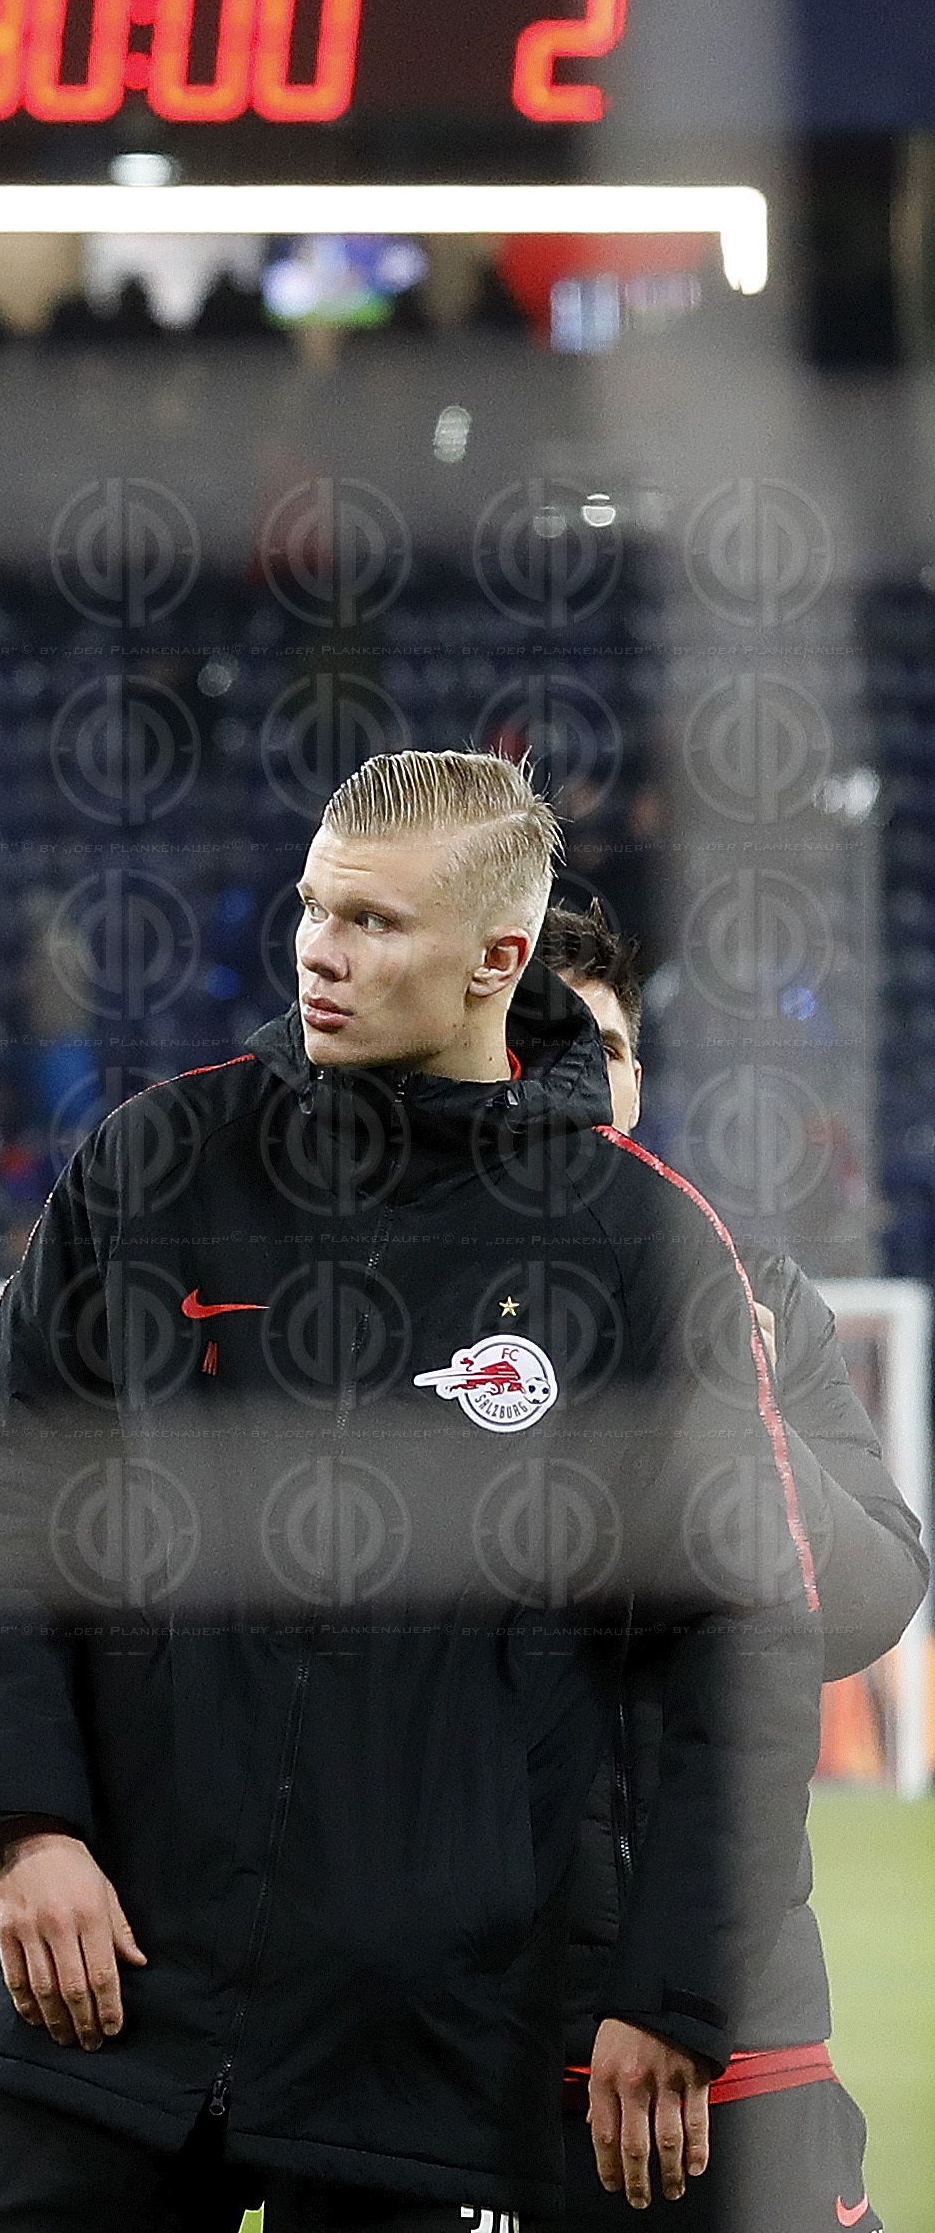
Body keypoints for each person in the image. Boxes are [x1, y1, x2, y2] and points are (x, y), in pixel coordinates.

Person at [0, 751, 824, 2233]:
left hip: (446, 2045)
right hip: (107, 1996)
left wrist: (673, 1988)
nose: (322, 954)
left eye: (377, 923)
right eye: (314, 908)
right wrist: (27, 1827)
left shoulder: (639, 1250)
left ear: (499, 958)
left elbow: (742, 1648)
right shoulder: (156, 1166)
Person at [537, 901, 928, 2233]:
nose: (580, 1078)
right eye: (543, 1045)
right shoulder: (406, 1317)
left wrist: (745, 1401)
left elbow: (874, 1595)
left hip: (744, 2008)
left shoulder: (760, 1290)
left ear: (640, 1080)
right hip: (481, 2032)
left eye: (606, 1047)